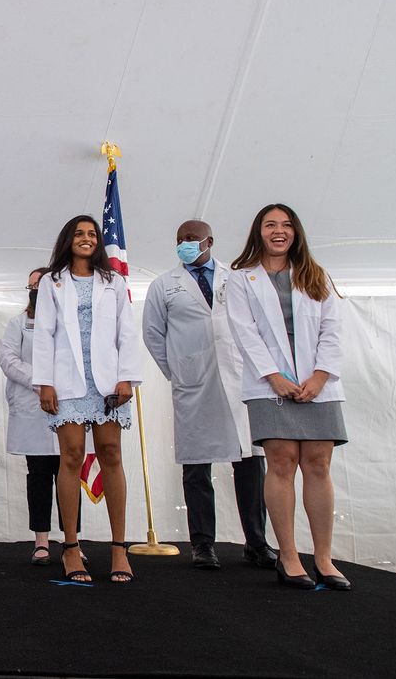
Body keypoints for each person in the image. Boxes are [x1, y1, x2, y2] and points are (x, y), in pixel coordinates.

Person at [226, 204, 349, 590]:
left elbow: (332, 329)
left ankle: (324, 559)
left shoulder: (316, 275)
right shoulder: (241, 279)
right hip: (269, 385)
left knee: (317, 464)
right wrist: (274, 377)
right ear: (258, 232)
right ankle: (290, 556)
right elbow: (244, 333)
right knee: (281, 462)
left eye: (286, 225)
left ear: (296, 232)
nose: (279, 231)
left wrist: (320, 375)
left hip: (319, 384)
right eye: (270, 225)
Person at [142, 221, 275, 570]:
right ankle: (202, 544)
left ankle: (256, 543)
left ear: (209, 241)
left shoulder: (239, 279)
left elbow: (258, 326)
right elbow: (154, 335)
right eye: (179, 239)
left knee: (249, 463)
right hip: (193, 384)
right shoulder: (163, 286)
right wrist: (178, 372)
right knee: (197, 467)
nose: (184, 244)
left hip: (238, 380)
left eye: (191, 238)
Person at [33, 215, 143, 583]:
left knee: (111, 454)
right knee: (72, 456)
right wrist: (44, 382)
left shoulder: (114, 281)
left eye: (92, 234)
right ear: (68, 240)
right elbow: (43, 334)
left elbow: (127, 333)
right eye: (79, 234)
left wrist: (126, 378)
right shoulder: (52, 281)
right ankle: (70, 547)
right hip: (67, 382)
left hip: (109, 381)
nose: (86, 238)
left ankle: (118, 549)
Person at [0, 267, 86, 566]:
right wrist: (42, 380)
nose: (35, 289)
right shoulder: (19, 323)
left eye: (40, 283)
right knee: (39, 476)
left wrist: (61, 383)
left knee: (70, 472)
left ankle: (72, 541)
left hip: (68, 406)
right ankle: (41, 541)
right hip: (33, 407)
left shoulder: (70, 322)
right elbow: (8, 359)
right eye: (31, 285)